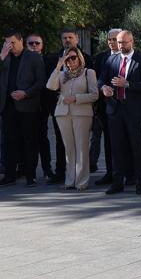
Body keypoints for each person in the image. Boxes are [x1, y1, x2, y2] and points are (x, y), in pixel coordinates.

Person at [98, 30, 141, 195]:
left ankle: (139, 183)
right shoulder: (111, 59)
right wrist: (104, 88)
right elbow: (101, 79)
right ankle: (117, 183)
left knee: (136, 147)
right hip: (115, 109)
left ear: (132, 42)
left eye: (124, 42)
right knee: (116, 148)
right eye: (119, 42)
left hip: (134, 111)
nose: (121, 45)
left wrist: (128, 84)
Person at [45, 46, 98, 190]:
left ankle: (81, 181)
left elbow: (95, 95)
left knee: (81, 147)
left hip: (82, 113)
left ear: (79, 57)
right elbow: (50, 86)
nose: (70, 61)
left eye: (73, 57)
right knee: (68, 148)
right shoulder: (62, 75)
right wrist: (58, 67)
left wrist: (76, 98)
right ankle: (70, 180)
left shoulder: (89, 73)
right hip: (63, 114)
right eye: (67, 58)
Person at [0, 31, 46, 187]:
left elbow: (41, 82)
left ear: (20, 41)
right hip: (7, 106)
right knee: (9, 141)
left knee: (29, 141)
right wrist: (1, 57)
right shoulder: (4, 57)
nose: (9, 46)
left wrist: (25, 93)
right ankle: (9, 175)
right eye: (6, 42)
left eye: (12, 42)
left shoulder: (33, 57)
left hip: (28, 105)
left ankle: (30, 175)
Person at [27, 33, 60, 182]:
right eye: (31, 43)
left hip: (47, 104)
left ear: (42, 45)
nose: (34, 46)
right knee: (30, 138)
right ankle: (29, 172)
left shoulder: (50, 59)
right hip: (27, 104)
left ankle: (48, 170)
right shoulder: (22, 61)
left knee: (43, 138)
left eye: (37, 43)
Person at [92, 28, 121, 185]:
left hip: (125, 106)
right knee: (109, 142)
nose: (111, 42)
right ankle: (111, 173)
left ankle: (127, 173)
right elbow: (97, 79)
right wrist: (102, 88)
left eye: (115, 39)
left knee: (126, 142)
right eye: (109, 39)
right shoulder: (101, 57)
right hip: (106, 107)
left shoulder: (130, 57)